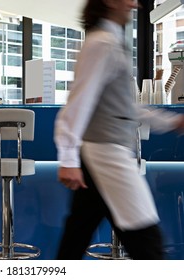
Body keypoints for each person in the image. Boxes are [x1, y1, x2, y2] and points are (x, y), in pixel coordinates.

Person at [54, 0, 184, 260]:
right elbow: (78, 103)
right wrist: (67, 157)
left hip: (100, 152)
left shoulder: (110, 42)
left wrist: (170, 122)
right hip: (106, 152)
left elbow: (126, 107)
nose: (134, 4)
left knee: (76, 236)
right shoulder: (102, 43)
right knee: (147, 241)